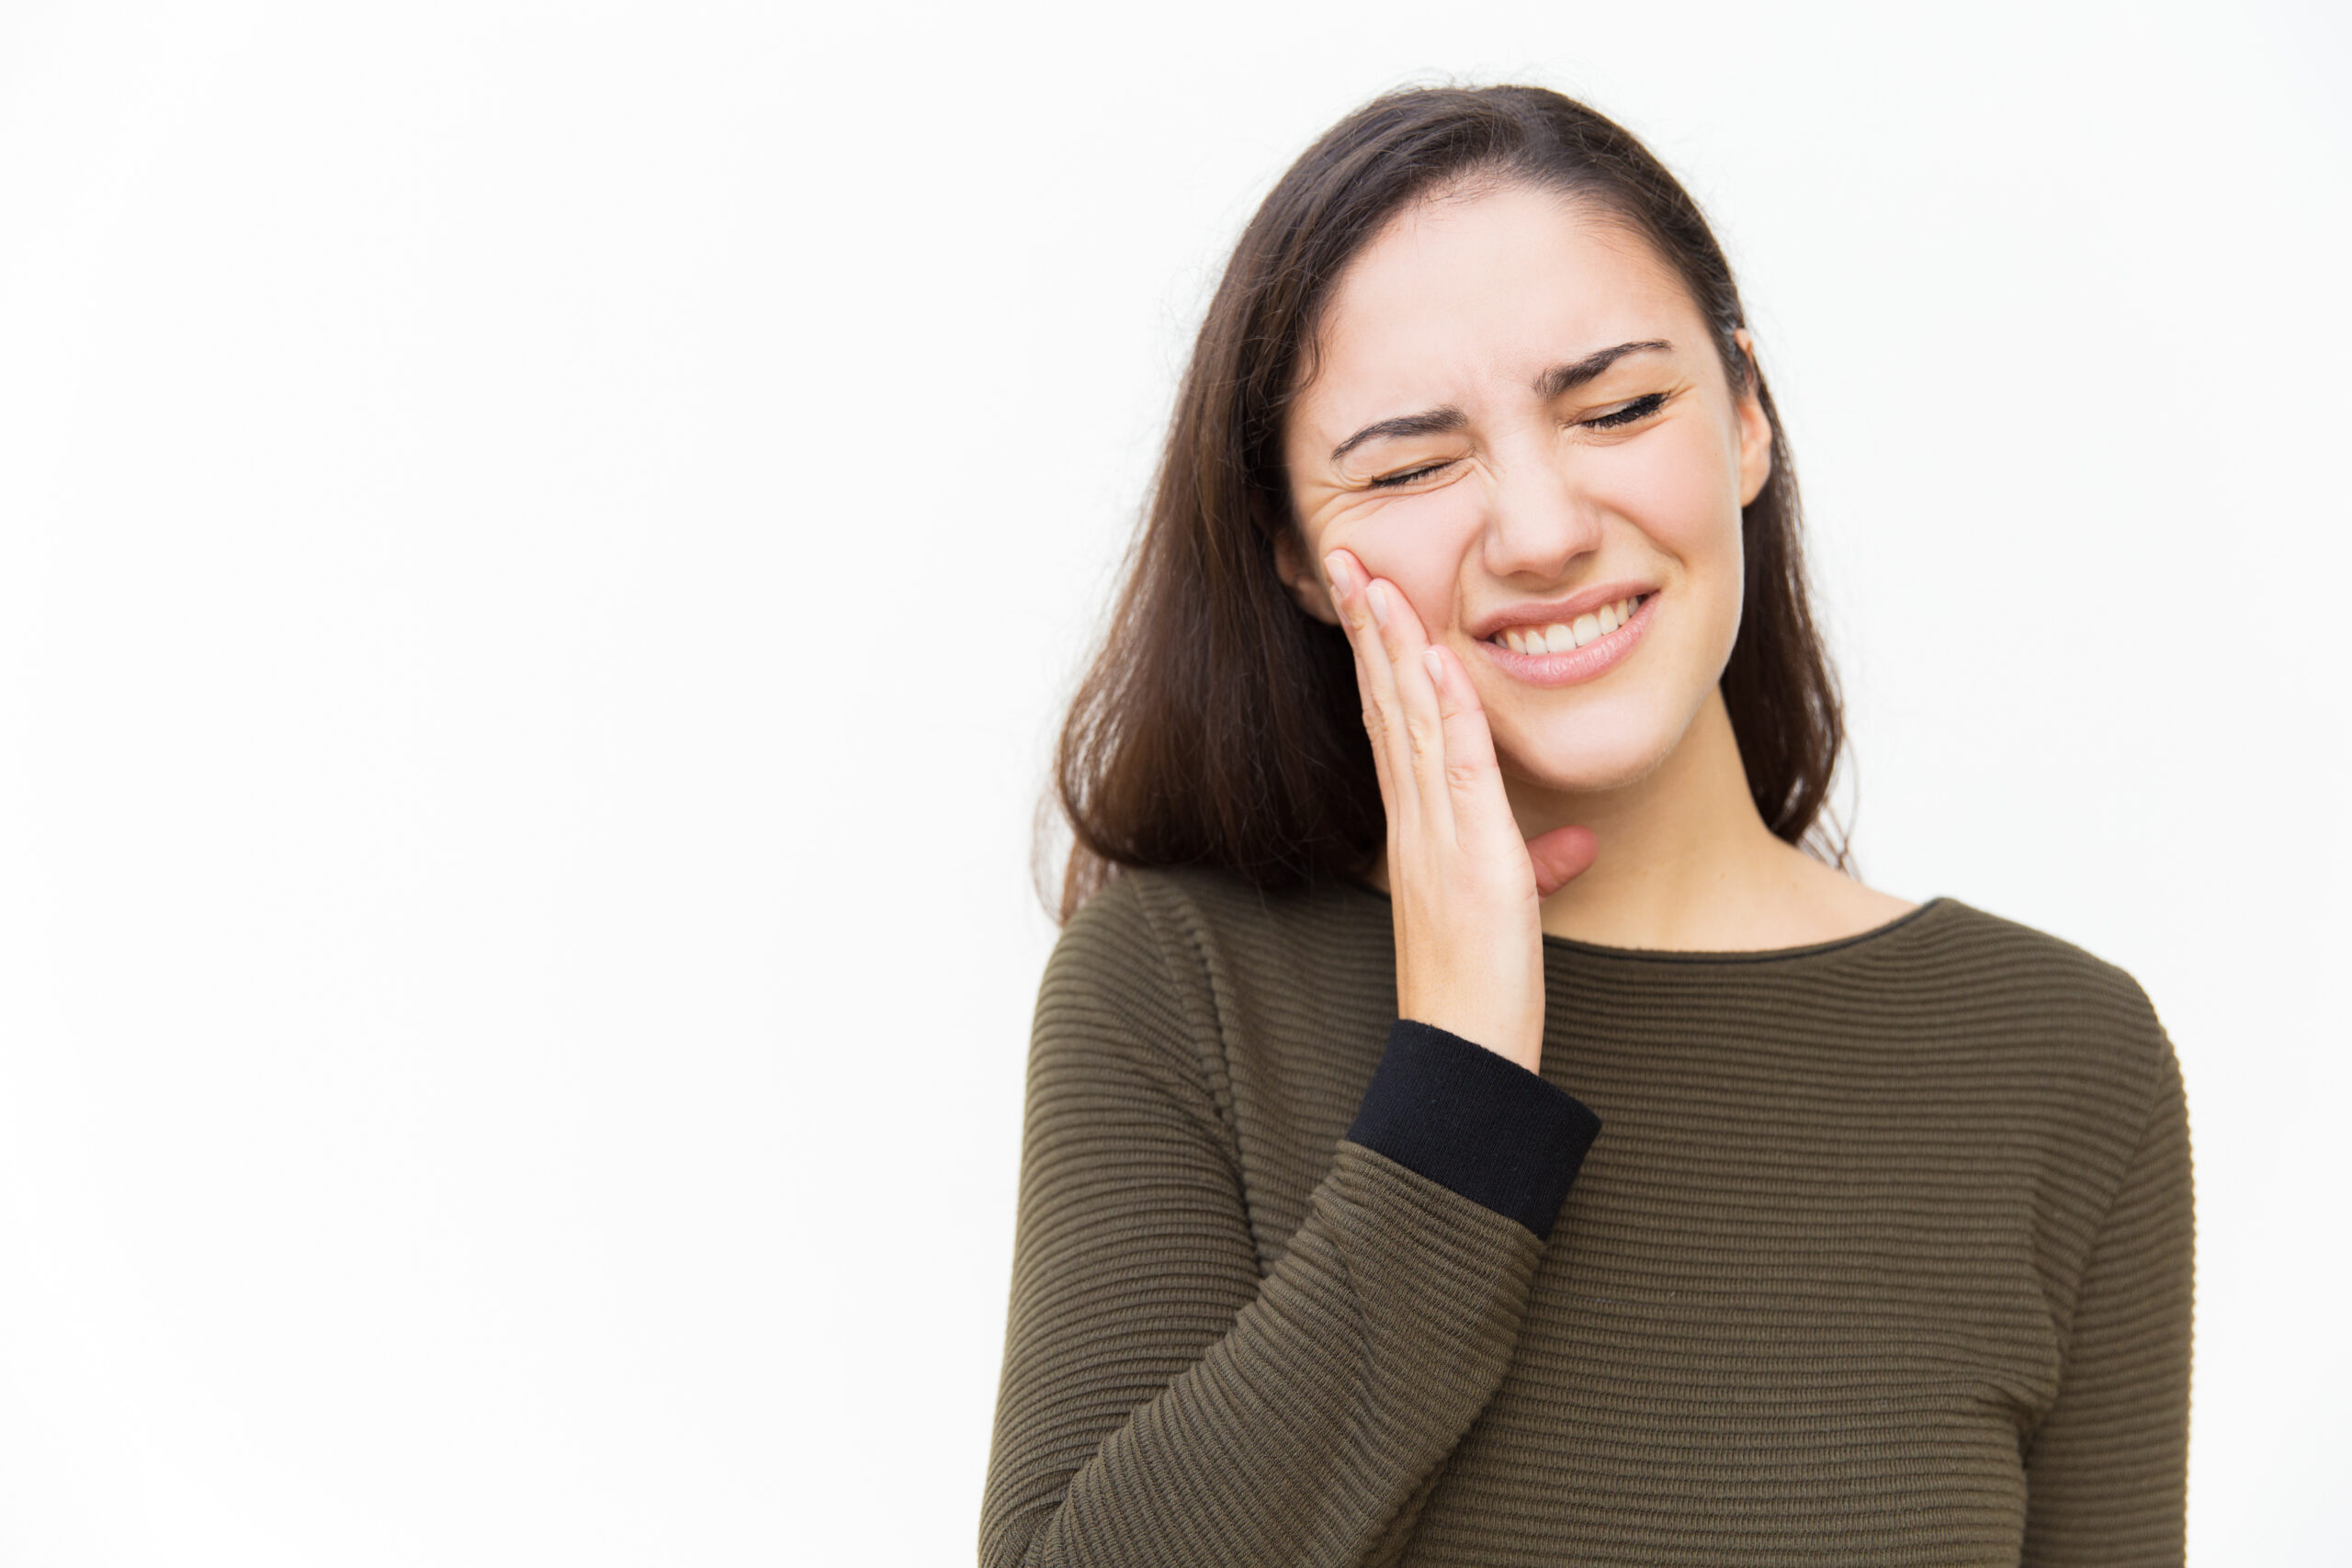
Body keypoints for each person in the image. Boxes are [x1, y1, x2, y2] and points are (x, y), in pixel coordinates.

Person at [979, 85, 2192, 1566]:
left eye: (1617, 409)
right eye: (1413, 464)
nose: (1544, 527)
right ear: (1295, 553)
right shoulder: (1179, 988)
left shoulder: (2059, 1058)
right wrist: (1460, 1081)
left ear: (1748, 418)